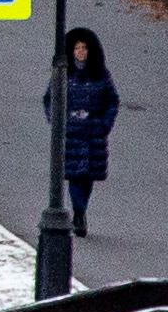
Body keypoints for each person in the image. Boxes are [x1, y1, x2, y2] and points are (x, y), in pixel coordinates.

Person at [49, 27, 122, 235]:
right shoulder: (64, 74)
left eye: (84, 48)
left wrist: (104, 124)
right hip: (71, 133)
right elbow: (50, 99)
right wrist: (57, 124)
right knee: (75, 175)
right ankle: (78, 212)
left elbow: (112, 101)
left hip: (92, 134)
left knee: (87, 177)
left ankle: (81, 210)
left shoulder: (100, 75)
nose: (80, 52)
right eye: (77, 48)